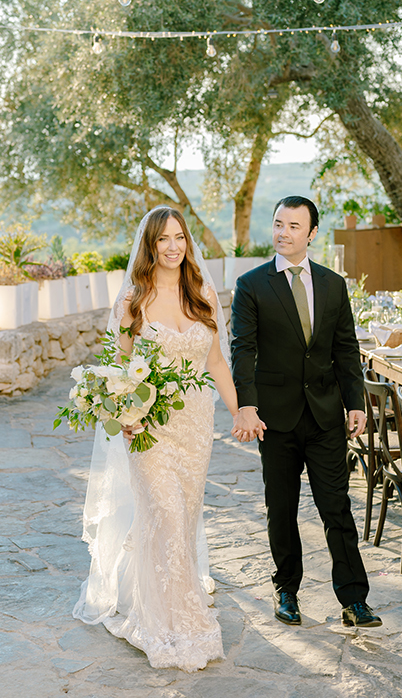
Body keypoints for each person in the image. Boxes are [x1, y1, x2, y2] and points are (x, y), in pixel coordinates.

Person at [73, 206, 240, 672]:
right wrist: (123, 411)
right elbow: (118, 370)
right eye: (163, 239)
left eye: (180, 237)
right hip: (148, 427)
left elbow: (217, 363)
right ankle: (165, 620)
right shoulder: (133, 301)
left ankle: (173, 601)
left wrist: (238, 408)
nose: (173, 246)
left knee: (181, 519)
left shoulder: (202, 293)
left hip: (195, 425)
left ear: (188, 243)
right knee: (164, 511)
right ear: (150, 245)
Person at [230, 195, 382, 628]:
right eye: (278, 223)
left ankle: (354, 600)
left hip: (325, 415)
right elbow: (243, 349)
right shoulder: (252, 284)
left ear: (312, 234)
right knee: (282, 508)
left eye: (294, 226)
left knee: (336, 507)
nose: (283, 232)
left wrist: (355, 402)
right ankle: (287, 591)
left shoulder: (334, 285)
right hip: (274, 418)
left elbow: (345, 348)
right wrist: (247, 404)